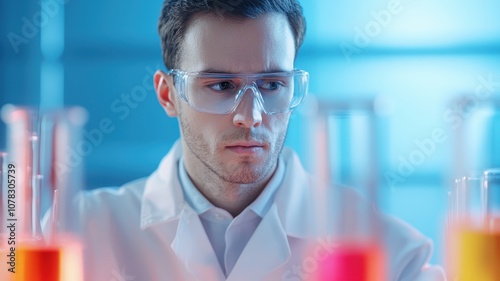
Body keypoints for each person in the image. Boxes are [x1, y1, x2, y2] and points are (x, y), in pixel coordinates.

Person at [73, 0, 446, 280]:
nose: (250, 115)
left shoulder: (388, 255)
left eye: (271, 85)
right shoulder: (83, 231)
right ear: (168, 95)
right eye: (220, 85)